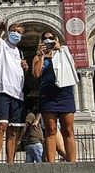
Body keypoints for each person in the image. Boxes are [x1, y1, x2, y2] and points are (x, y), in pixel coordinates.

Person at [32, 30, 77, 162]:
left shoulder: (63, 52)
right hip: (48, 95)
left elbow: (73, 67)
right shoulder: (38, 57)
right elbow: (36, 74)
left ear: (56, 39)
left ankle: (73, 164)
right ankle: (51, 165)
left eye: (51, 38)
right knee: (51, 130)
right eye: (45, 38)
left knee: (68, 130)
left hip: (65, 93)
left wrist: (60, 50)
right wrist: (41, 56)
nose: (48, 40)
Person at [0, 19, 28, 163]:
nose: (16, 34)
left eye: (19, 32)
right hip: (2, 89)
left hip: (18, 94)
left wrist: (25, 68)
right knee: (1, 125)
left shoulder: (20, 52)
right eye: (14, 31)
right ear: (8, 32)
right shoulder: (1, 45)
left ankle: (10, 163)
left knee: (14, 130)